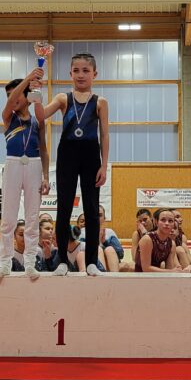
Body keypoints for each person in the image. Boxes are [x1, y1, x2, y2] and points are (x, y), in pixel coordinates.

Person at [40, 52, 110, 277]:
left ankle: (91, 262)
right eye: (76, 71)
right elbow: (41, 115)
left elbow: (104, 135)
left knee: (91, 209)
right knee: (64, 208)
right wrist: (35, 93)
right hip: (67, 153)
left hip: (91, 155)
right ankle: (62, 261)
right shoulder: (63, 98)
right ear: (70, 73)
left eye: (86, 71)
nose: (81, 75)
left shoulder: (100, 102)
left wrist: (104, 165)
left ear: (94, 74)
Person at [0, 70, 49, 281]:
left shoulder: (37, 121)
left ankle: (30, 263)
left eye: (17, 94)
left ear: (27, 96)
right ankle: (5, 263)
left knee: (32, 218)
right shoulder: (8, 117)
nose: (13, 98)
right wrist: (28, 79)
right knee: (8, 218)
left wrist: (46, 176)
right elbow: (10, 103)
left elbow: (43, 149)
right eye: (9, 95)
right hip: (13, 164)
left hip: (34, 165)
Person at [80, 204, 126, 273]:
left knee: (109, 249)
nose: (97, 217)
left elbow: (120, 254)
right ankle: (102, 276)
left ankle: (114, 276)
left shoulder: (109, 232)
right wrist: (97, 242)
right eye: (94, 214)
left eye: (100, 215)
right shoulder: (83, 232)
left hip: (111, 263)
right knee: (98, 249)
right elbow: (79, 252)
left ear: (104, 218)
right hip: (91, 264)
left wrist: (105, 242)